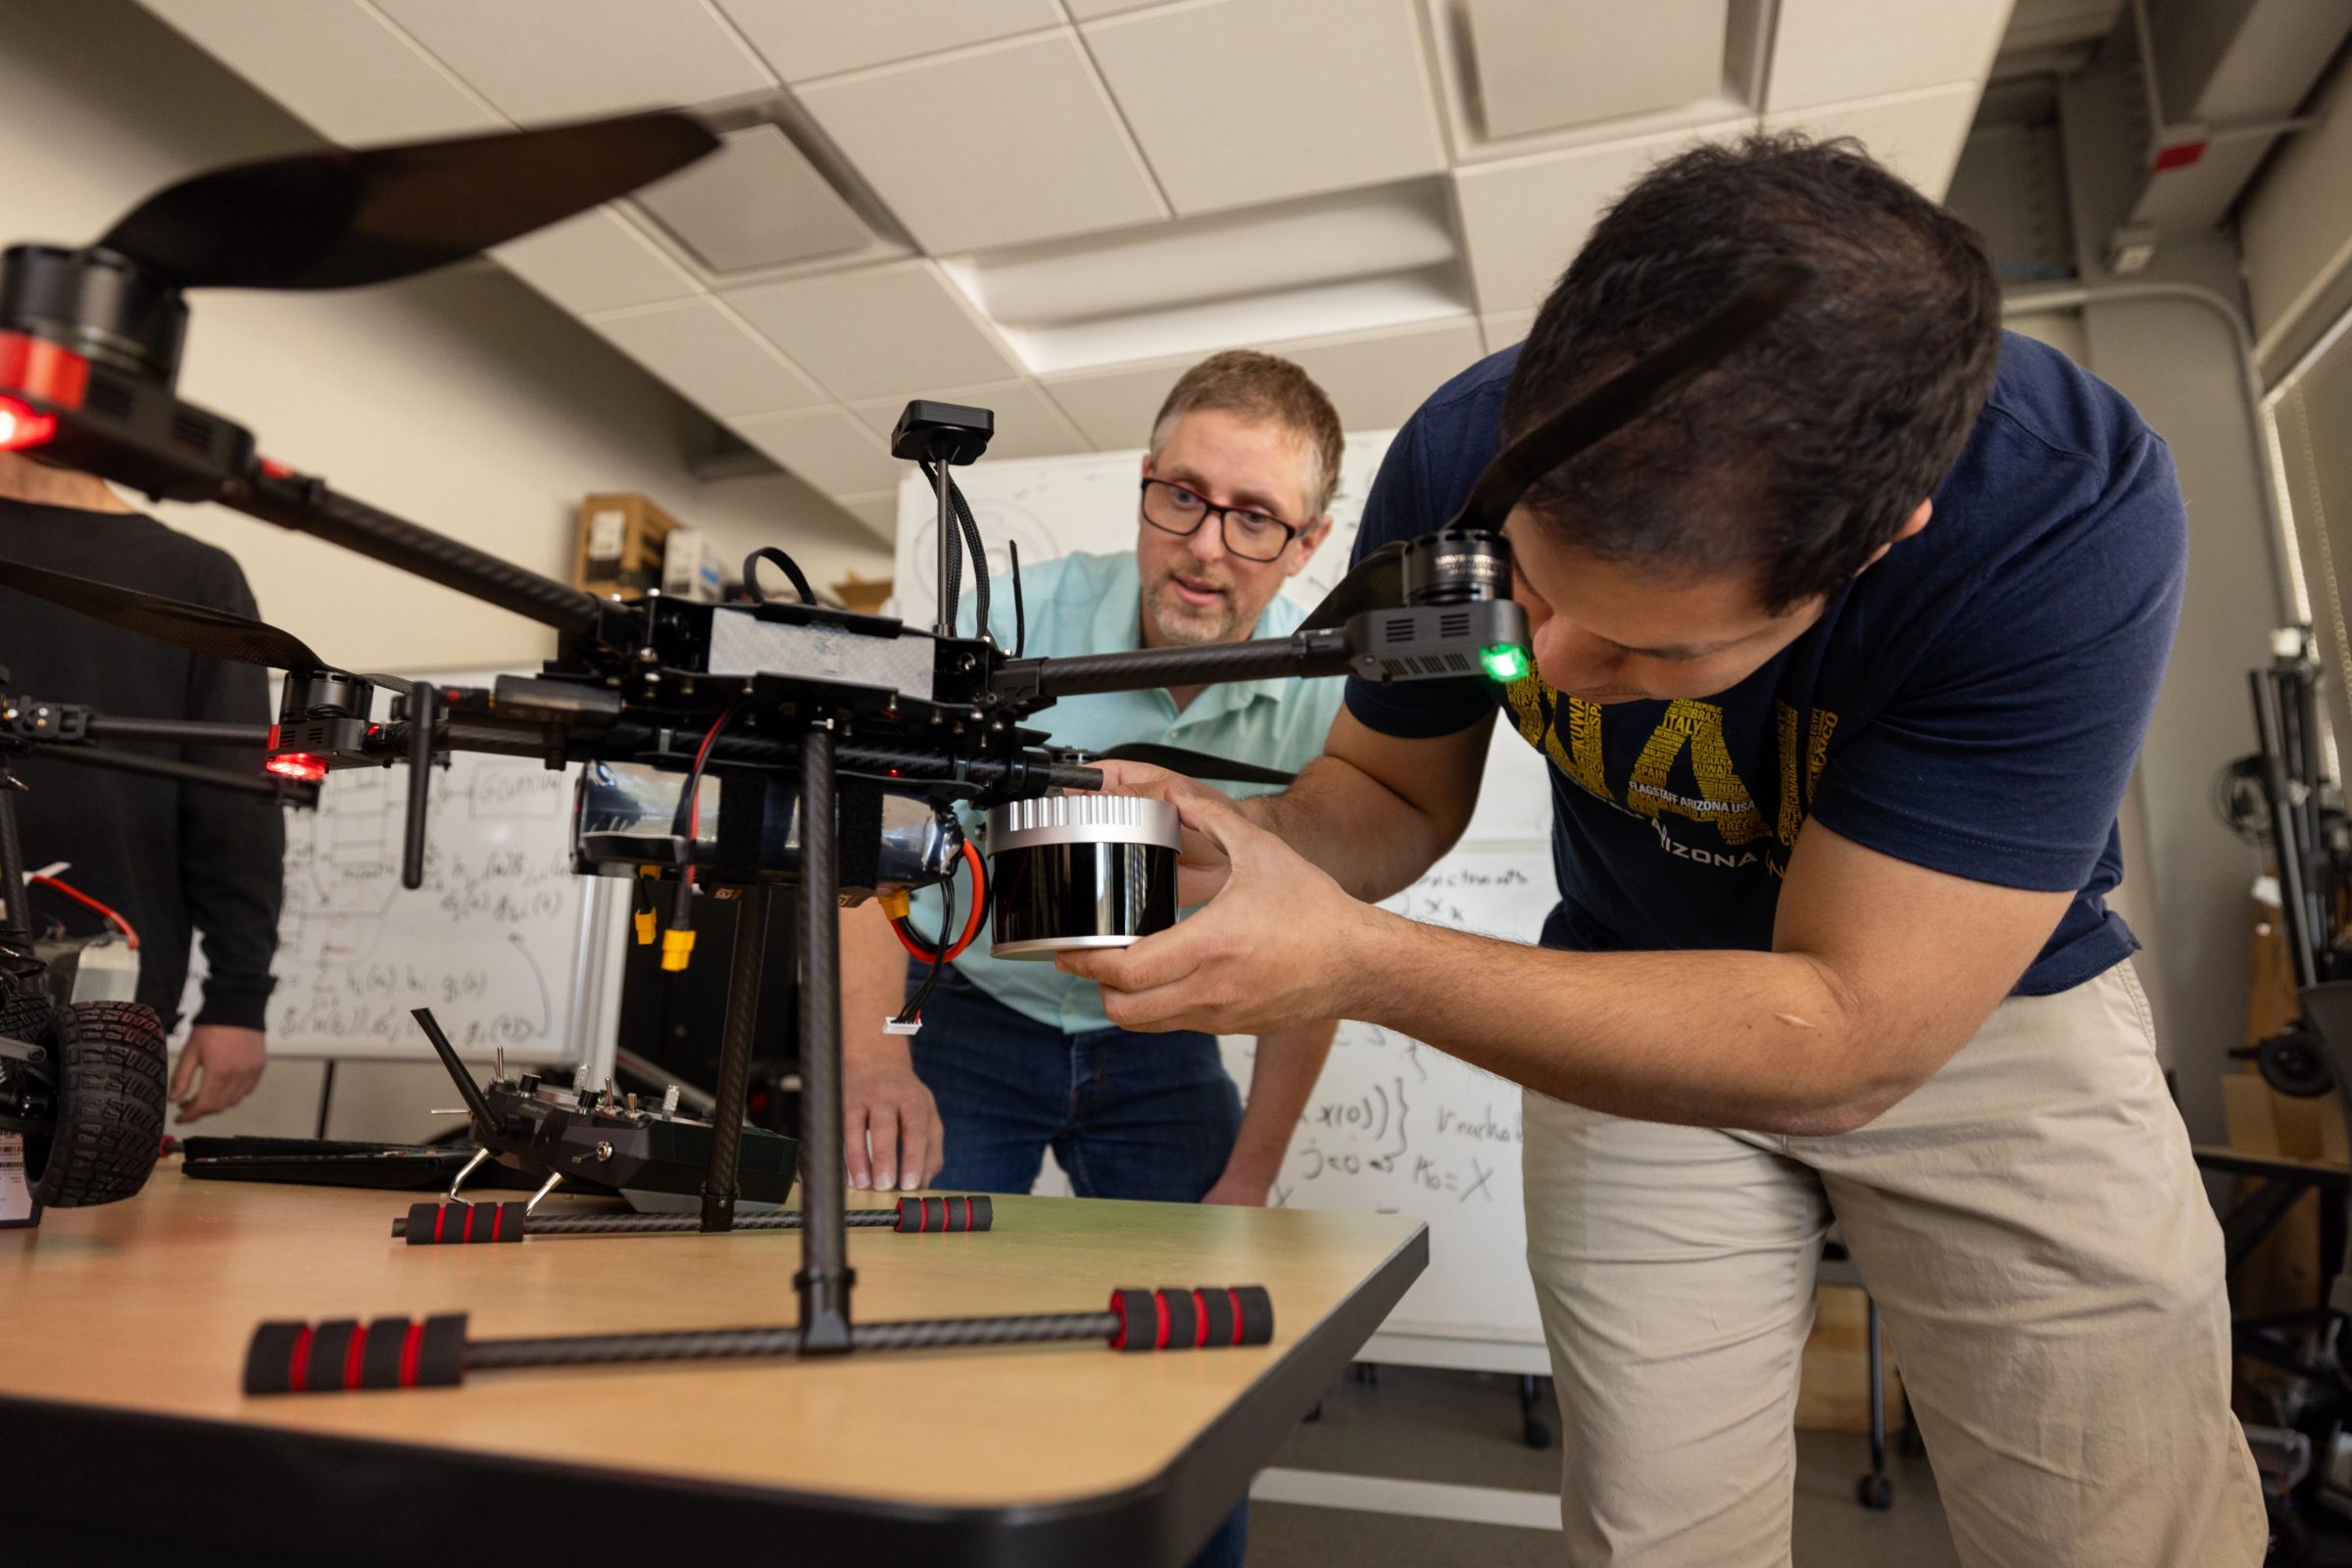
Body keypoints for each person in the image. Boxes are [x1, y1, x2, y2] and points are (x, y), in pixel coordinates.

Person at [1064, 136, 2266, 1566]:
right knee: (1656, 1542)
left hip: (1977, 1024)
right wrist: (1242, 848)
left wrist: (1355, 962)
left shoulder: (2065, 522)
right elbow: (1389, 783)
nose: (1555, 667)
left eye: (1649, 642)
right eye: (1530, 592)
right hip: (1628, 1003)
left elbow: (1850, 1032)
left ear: (1872, 548)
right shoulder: (1457, 456)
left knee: (2122, 1536)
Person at [840, 351, 1347, 1208]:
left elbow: (1326, 949)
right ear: (1145, 482)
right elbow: (866, 827)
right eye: (1182, 495)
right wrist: (874, 1058)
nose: (1204, 549)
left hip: (1169, 1014)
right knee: (898, 1261)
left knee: (1199, 1279)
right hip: (967, 997)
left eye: (1255, 518)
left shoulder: (1330, 699)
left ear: (1308, 544)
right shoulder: (1000, 622)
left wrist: (1251, 1177)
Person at [0, 451, 282, 1122]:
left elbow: (234, 801)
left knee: (89, 1222)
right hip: (110, 998)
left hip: (103, 1001)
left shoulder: (196, 578)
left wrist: (238, 1000)